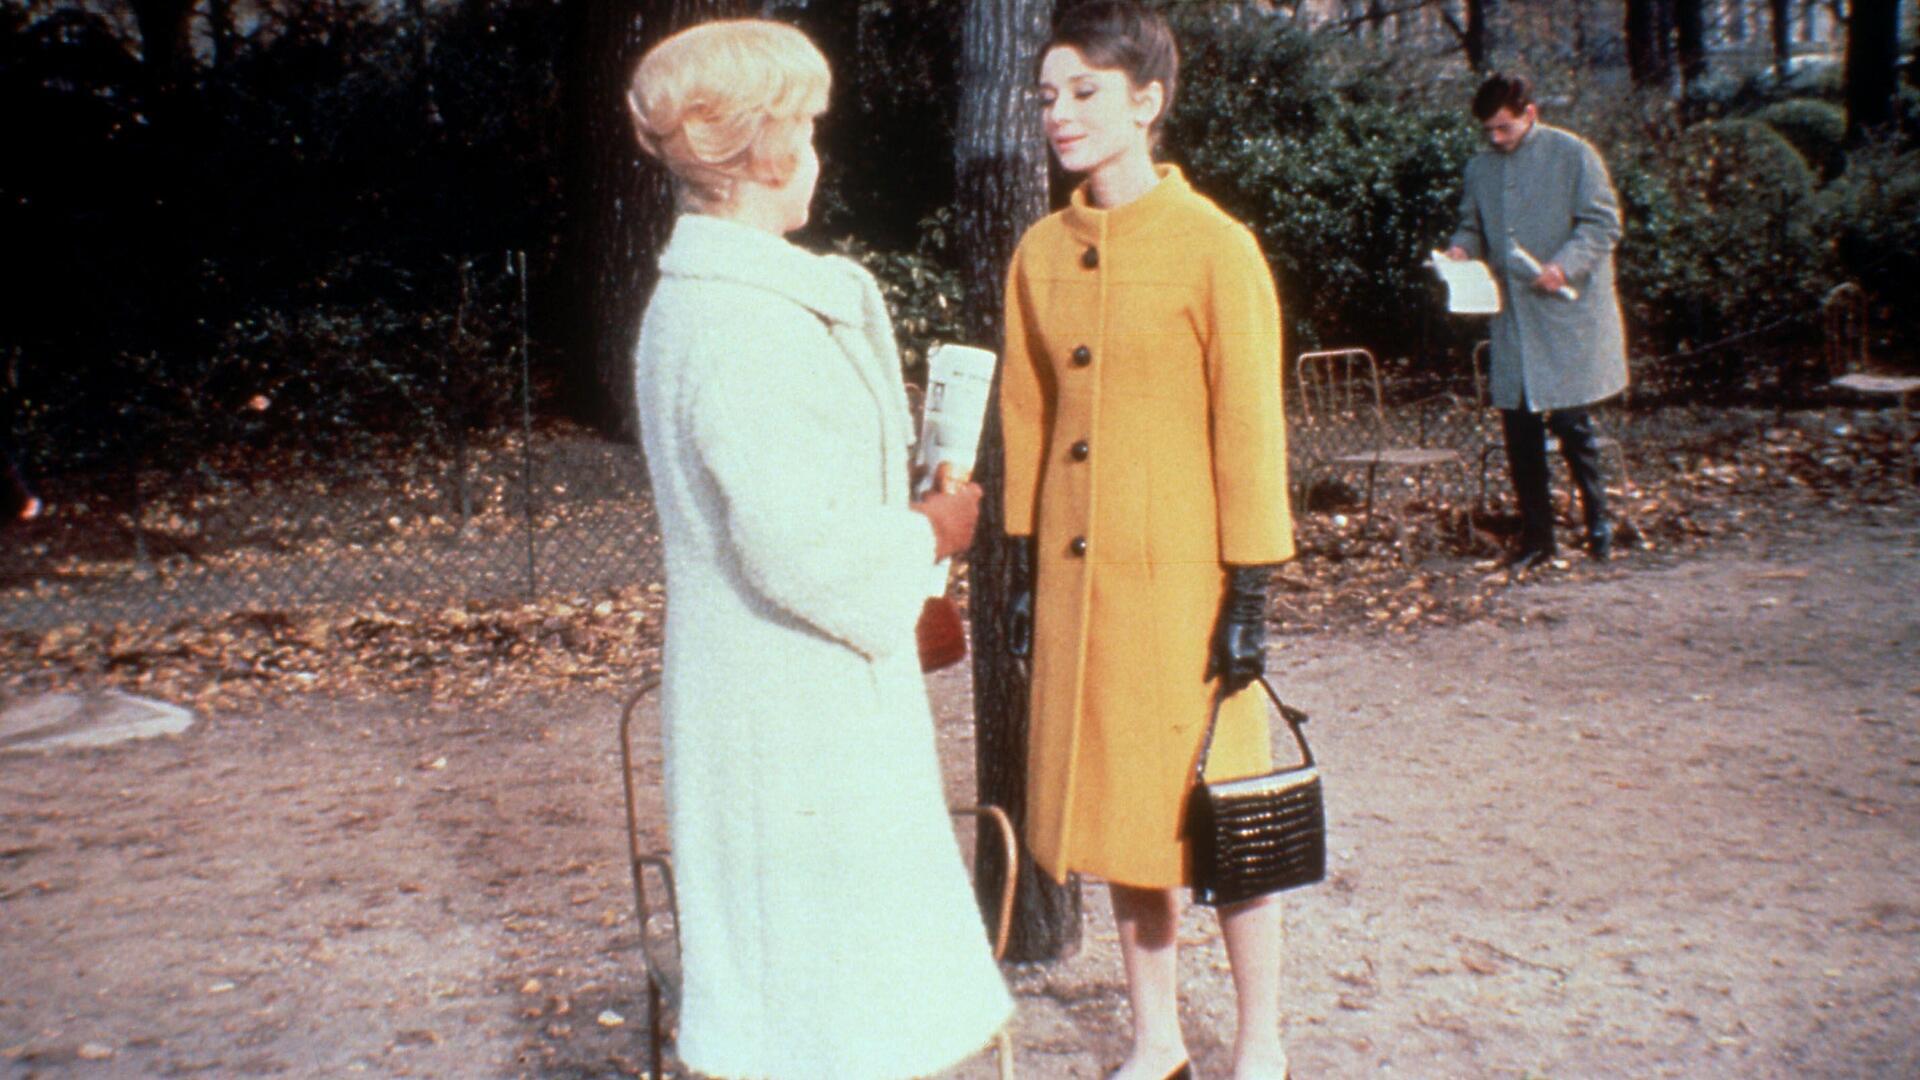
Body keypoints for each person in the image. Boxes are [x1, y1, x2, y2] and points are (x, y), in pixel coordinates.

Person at [625, 19, 1012, 1079]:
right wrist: (930, 532)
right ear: (763, 149)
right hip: (789, 702)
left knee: (826, 988)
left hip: (792, 684)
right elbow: (792, 546)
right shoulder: (740, 322)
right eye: (806, 128)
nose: (816, 153)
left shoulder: (726, 299)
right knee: (818, 997)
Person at [998, 5, 1296, 1077]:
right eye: (1048, 95)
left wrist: (1249, 594)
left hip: (1188, 591)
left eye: (1085, 92)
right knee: (1125, 816)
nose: (1060, 114)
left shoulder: (1217, 248)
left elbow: (1250, 430)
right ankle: (1157, 1038)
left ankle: (1261, 1042)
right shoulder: (1040, 252)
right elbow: (1026, 417)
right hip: (1083, 592)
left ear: (1147, 102)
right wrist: (1022, 565)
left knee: (1226, 815)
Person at [1445, 72, 1629, 569]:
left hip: (1566, 314)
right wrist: (1462, 248)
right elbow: (1472, 224)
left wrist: (1564, 265)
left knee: (1572, 423)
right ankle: (1538, 539)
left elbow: (1602, 223)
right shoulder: (1480, 168)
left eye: (1504, 127)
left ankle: (1598, 524)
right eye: (1488, 130)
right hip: (1514, 319)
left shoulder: (1574, 154)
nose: (1496, 138)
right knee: (1519, 428)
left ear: (1530, 113)